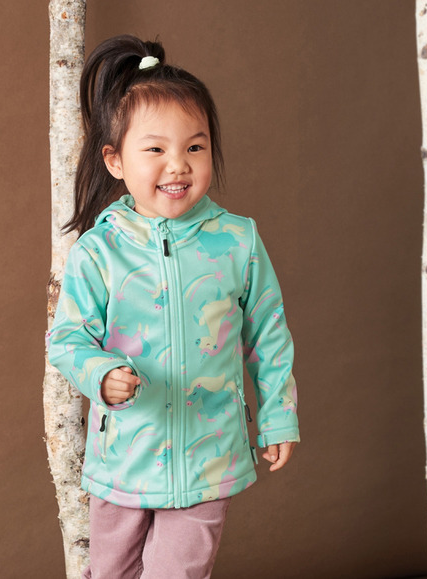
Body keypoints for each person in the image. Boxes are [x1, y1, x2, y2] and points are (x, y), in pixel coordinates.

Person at [47, 34, 299, 579]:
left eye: (195, 148)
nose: (178, 165)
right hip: (124, 458)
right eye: (156, 150)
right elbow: (66, 339)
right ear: (115, 161)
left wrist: (278, 415)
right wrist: (102, 374)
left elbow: (268, 333)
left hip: (210, 454)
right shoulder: (100, 250)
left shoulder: (237, 241)